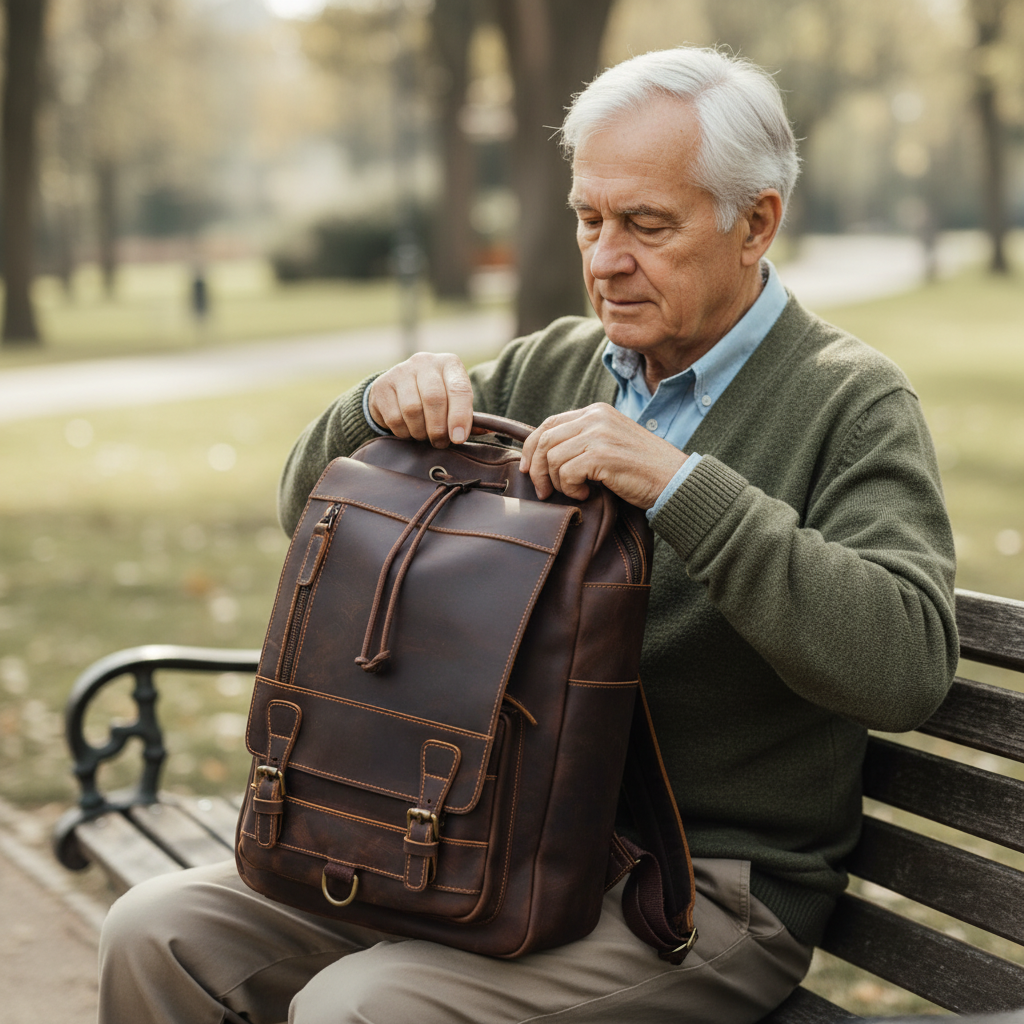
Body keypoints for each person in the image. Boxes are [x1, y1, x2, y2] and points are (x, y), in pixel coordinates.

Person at [98, 46, 957, 1024]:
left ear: (755, 221)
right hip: (476, 836)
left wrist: (678, 486)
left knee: (362, 1008)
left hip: (689, 889)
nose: (604, 259)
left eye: (645, 225)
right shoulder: (551, 363)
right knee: (157, 934)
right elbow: (307, 509)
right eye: (589, 219)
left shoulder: (851, 401)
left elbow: (905, 665)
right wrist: (370, 411)